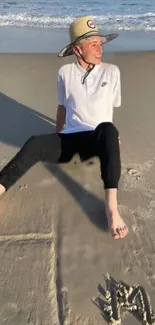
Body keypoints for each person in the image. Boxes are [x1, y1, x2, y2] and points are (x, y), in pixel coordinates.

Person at [0, 15, 128, 239]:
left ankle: (111, 208)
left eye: (101, 43)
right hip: (70, 139)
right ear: (77, 50)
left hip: (96, 139)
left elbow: (111, 109)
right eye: (93, 44)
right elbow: (62, 108)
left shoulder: (112, 72)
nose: (100, 49)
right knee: (35, 142)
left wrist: (112, 138)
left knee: (107, 128)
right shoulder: (65, 74)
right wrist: (56, 137)